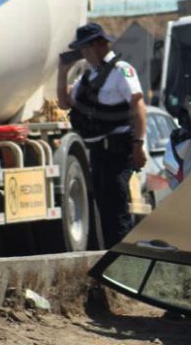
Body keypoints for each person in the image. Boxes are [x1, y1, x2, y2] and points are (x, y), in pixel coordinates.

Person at [56, 23, 147, 247]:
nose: (84, 55)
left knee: (117, 207)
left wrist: (139, 144)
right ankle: (111, 257)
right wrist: (62, 72)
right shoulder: (89, 77)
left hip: (119, 148)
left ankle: (124, 261)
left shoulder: (121, 70)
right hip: (98, 151)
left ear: (98, 45)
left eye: (85, 49)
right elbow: (65, 102)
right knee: (104, 208)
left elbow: (138, 106)